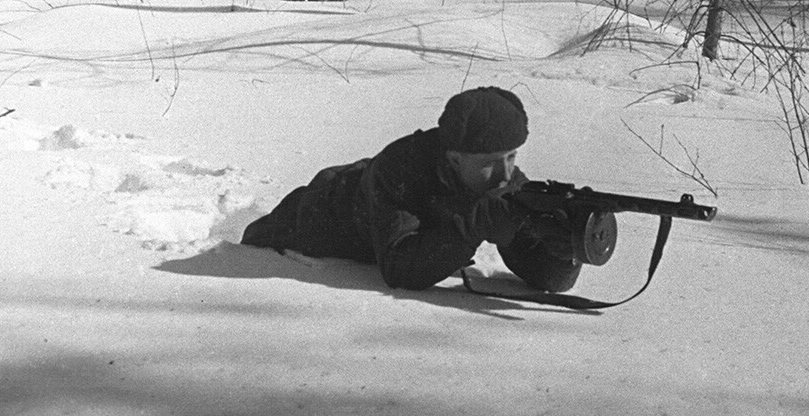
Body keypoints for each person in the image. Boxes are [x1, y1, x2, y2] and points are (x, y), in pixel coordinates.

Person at [241, 86, 580, 293]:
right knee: (256, 240)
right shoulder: (400, 168)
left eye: (512, 156)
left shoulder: (502, 181)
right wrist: (472, 227)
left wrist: (564, 248)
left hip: (366, 213)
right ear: (455, 159)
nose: (506, 173)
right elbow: (399, 269)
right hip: (327, 211)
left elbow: (546, 276)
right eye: (491, 161)